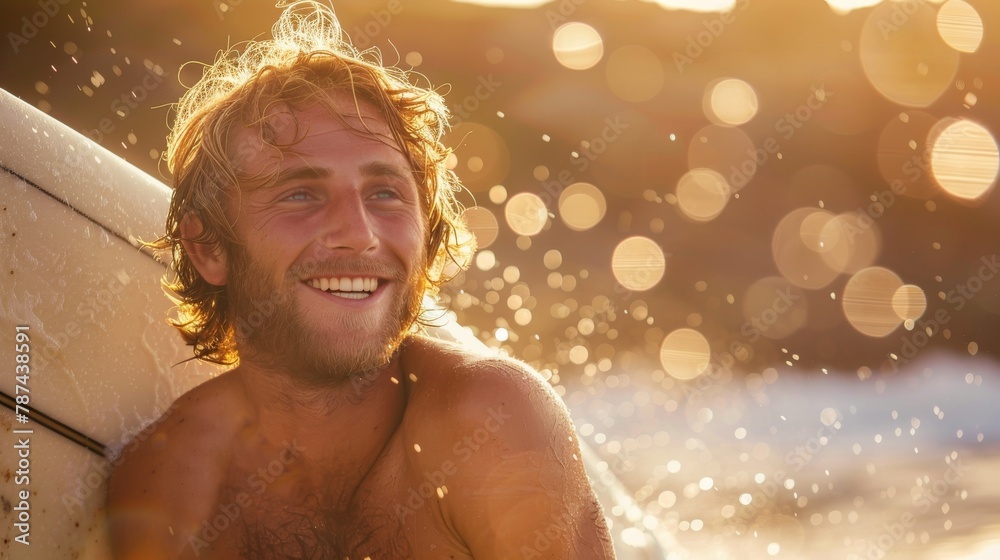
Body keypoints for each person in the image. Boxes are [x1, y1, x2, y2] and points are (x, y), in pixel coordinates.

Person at [106, 2, 616, 558]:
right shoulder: (168, 486)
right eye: (300, 193)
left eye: (385, 193)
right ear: (208, 248)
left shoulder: (487, 419)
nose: (359, 233)